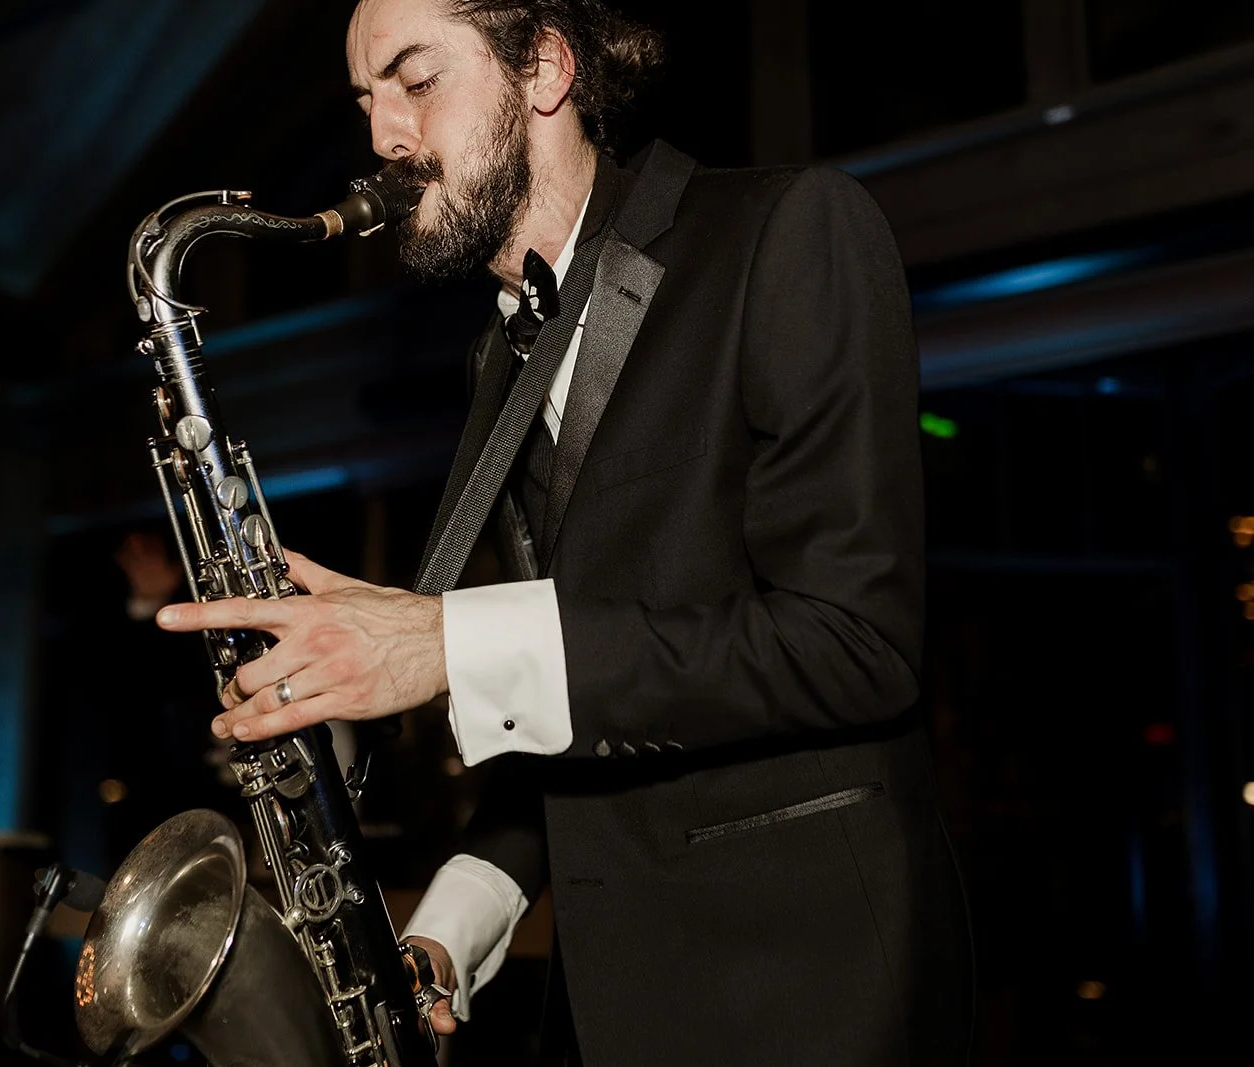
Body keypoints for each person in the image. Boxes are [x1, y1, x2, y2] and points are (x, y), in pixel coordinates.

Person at [153, 0, 976, 1063]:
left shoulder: (791, 229)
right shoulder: (495, 356)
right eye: (366, 102)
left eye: (415, 81)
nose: (383, 138)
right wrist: (453, 924)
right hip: (614, 1005)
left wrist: (443, 641)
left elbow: (852, 645)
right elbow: (586, 688)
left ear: (542, 67)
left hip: (811, 997)